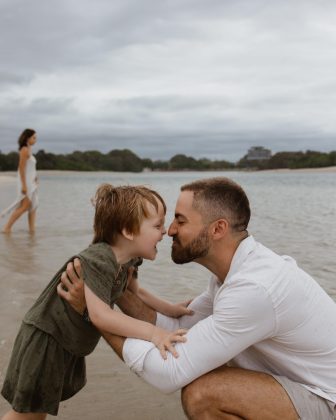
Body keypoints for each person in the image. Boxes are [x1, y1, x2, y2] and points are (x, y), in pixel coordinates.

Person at [59, 177, 336, 420]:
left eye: (180, 220)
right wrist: (115, 291)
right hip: (299, 384)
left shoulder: (254, 288)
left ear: (217, 229)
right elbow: (178, 328)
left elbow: (168, 373)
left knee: (203, 394)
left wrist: (92, 312)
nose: (169, 230)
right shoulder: (234, 272)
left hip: (326, 399)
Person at [1, 184, 191, 419]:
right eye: (157, 225)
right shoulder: (100, 259)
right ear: (128, 231)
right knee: (26, 415)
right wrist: (155, 334)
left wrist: (172, 309)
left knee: (36, 413)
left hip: (64, 341)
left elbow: (139, 293)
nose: (164, 231)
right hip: (47, 339)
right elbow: (101, 315)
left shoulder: (129, 261)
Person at [1, 128, 38, 234]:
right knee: (25, 206)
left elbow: (30, 167)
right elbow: (21, 169)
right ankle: (7, 228)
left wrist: (36, 177)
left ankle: (32, 230)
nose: (35, 140)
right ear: (27, 138)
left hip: (31, 182)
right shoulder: (24, 150)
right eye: (34, 138)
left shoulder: (29, 150)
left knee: (33, 206)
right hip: (25, 182)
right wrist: (24, 186)